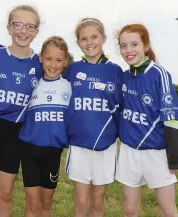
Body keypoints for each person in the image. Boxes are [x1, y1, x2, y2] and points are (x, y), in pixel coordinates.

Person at [0, 5, 43, 217]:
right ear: (9, 27)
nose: (24, 31)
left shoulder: (40, 63)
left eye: (30, 26)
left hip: (14, 133)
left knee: (4, 194)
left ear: (36, 31)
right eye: (18, 25)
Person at [115, 24, 178, 217]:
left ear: (146, 46)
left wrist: (174, 158)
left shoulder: (159, 74)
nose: (128, 50)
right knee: (129, 210)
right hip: (129, 152)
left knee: (168, 211)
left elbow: (172, 119)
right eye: (123, 46)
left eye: (134, 44)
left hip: (156, 153)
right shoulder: (124, 77)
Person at [62, 18, 123, 217]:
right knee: (81, 202)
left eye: (94, 37)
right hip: (79, 144)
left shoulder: (115, 71)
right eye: (84, 38)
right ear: (78, 43)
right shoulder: (72, 70)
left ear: (103, 38)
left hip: (106, 145)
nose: (90, 42)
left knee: (97, 202)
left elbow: (122, 107)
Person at [19, 36, 72, 217]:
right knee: (32, 204)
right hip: (30, 150)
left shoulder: (69, 87)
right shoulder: (32, 84)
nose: (53, 65)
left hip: (53, 152)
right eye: (48, 59)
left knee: (46, 202)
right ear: (40, 58)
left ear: (65, 62)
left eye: (58, 60)